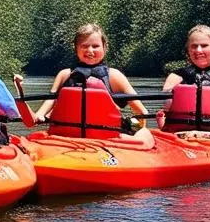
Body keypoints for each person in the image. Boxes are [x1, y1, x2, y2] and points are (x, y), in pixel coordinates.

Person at [13, 23, 154, 147]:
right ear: (76, 48)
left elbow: (142, 113)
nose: (90, 50)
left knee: (144, 133)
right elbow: (34, 120)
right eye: (84, 46)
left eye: (95, 46)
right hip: (66, 141)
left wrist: (133, 130)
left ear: (105, 47)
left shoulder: (114, 76)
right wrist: (20, 93)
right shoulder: (64, 75)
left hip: (109, 140)